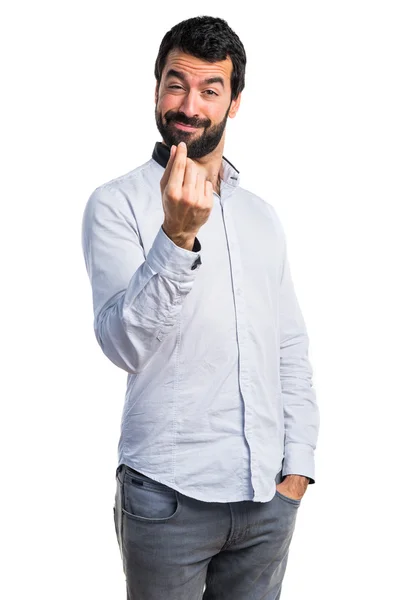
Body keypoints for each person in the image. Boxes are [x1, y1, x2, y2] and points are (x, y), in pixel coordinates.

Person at [81, 15, 320, 600]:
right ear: (156, 87)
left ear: (234, 102)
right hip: (166, 498)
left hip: (267, 500)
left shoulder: (261, 216)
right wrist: (176, 238)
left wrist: (298, 469)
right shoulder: (115, 205)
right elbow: (122, 345)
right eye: (175, 83)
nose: (188, 105)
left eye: (210, 89)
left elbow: (287, 346)